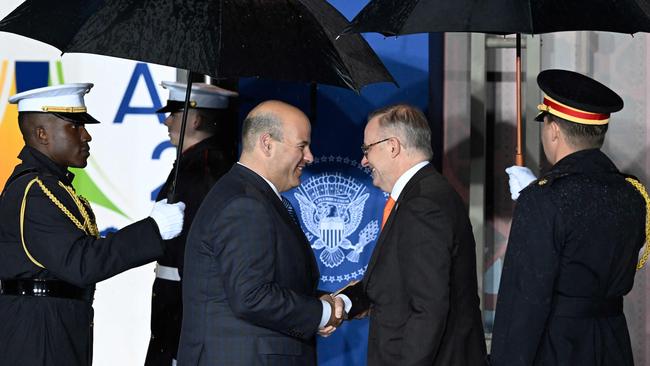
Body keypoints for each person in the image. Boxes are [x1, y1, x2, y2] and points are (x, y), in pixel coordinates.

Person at [0, 83, 185, 366]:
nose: (86, 135)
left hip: (50, 328)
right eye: (75, 126)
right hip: (40, 337)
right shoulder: (36, 191)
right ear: (42, 134)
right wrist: (152, 229)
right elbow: (81, 263)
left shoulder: (50, 185)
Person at [491, 69, 649, 366]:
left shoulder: (543, 199)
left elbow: (523, 304)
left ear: (553, 130)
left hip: (557, 349)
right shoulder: (634, 194)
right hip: (613, 346)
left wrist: (536, 201)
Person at [177, 100, 344, 366]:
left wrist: (318, 301)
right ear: (267, 144)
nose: (310, 156)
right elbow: (251, 297)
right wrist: (320, 313)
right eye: (302, 146)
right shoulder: (245, 203)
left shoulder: (250, 195)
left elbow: (265, 282)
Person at [337, 104, 487, 366]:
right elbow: (397, 282)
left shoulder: (423, 204)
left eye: (367, 149)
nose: (363, 160)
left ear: (392, 146)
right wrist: (343, 302)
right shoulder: (422, 195)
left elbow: (429, 308)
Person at [145, 81, 238, 366]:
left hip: (183, 306)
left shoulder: (205, 169)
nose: (167, 121)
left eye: (174, 113)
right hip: (176, 302)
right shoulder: (193, 163)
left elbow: (198, 248)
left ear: (195, 119)